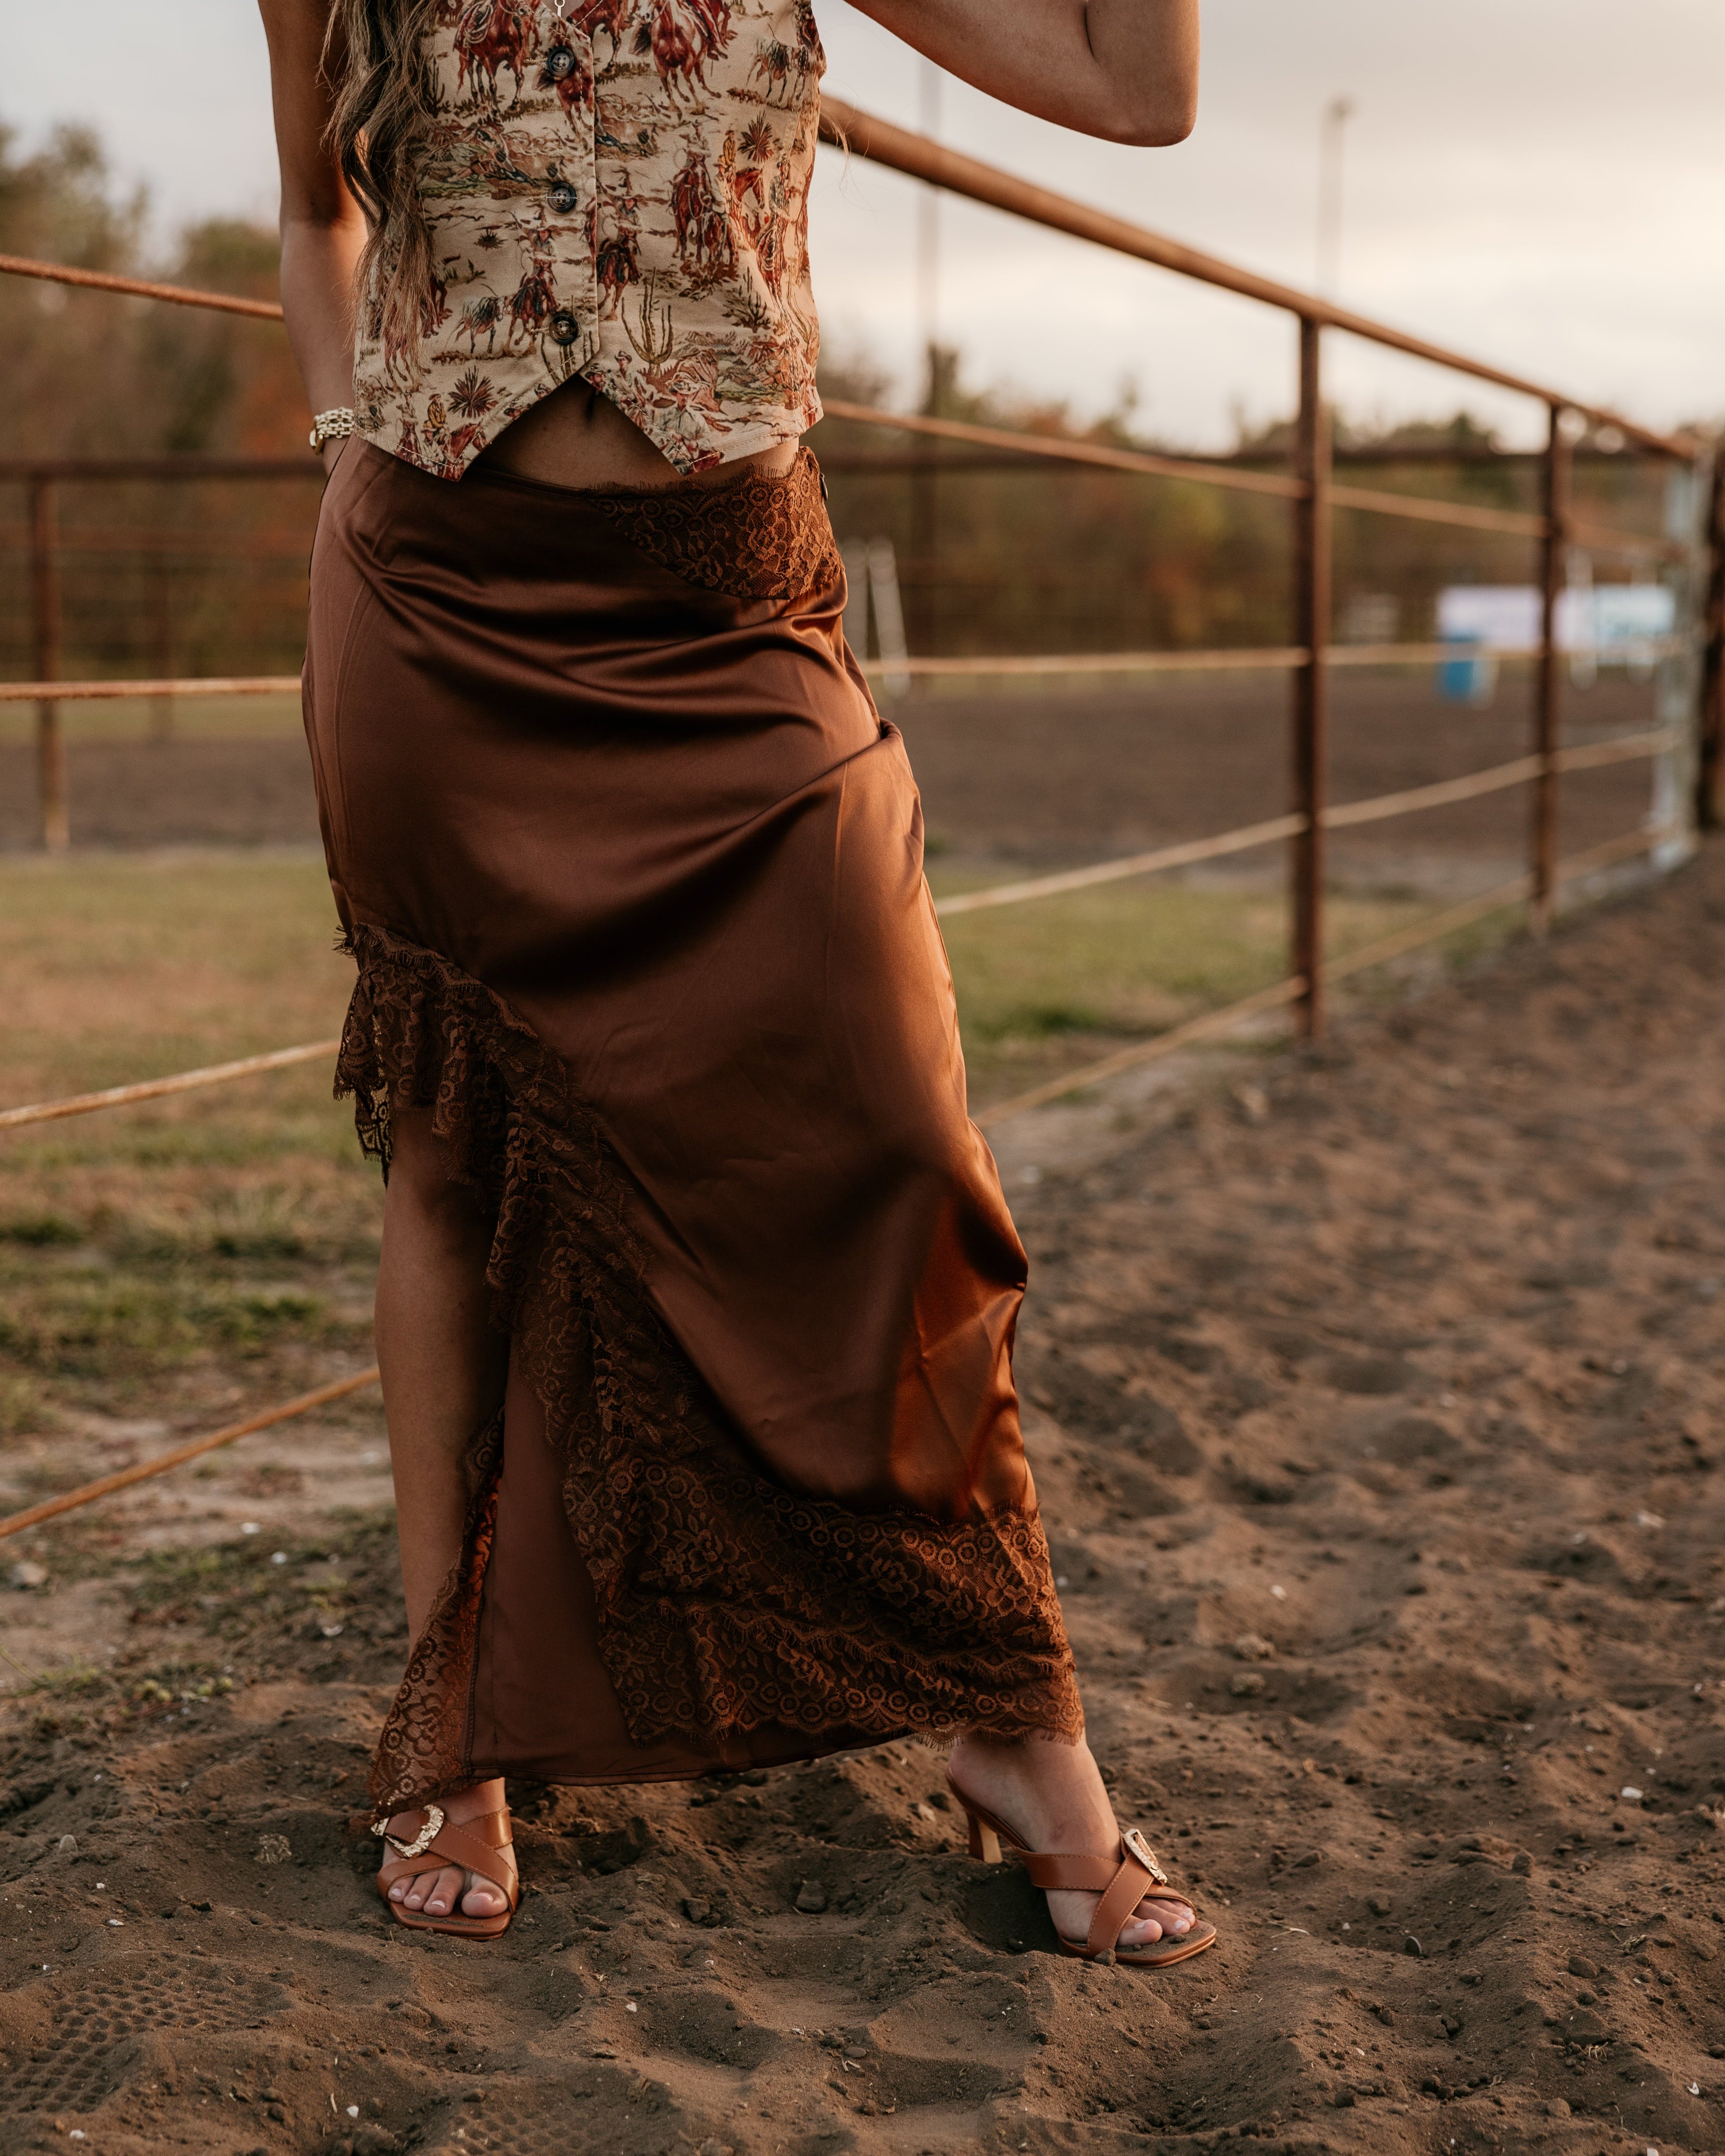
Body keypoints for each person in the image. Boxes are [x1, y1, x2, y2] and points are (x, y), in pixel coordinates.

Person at [259, 0, 1210, 1968]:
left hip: (727, 601)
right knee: (449, 1153)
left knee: (900, 1125)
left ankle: (1010, 1711)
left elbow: (1142, 95)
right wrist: (355, 448)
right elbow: (312, 215)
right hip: (436, 597)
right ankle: (456, 1733)